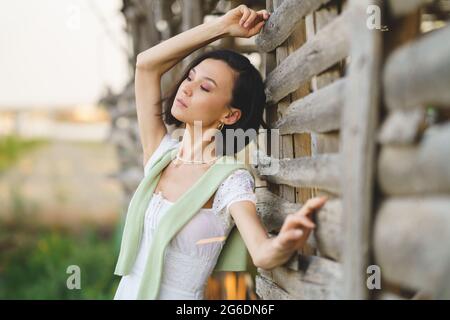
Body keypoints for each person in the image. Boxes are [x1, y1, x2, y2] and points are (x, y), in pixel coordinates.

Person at [114, 4, 327, 300]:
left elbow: (262, 252)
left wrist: (285, 241)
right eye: (190, 77)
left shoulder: (229, 180)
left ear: (230, 115)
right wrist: (221, 27)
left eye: (205, 87)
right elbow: (146, 65)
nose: (186, 89)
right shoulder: (161, 155)